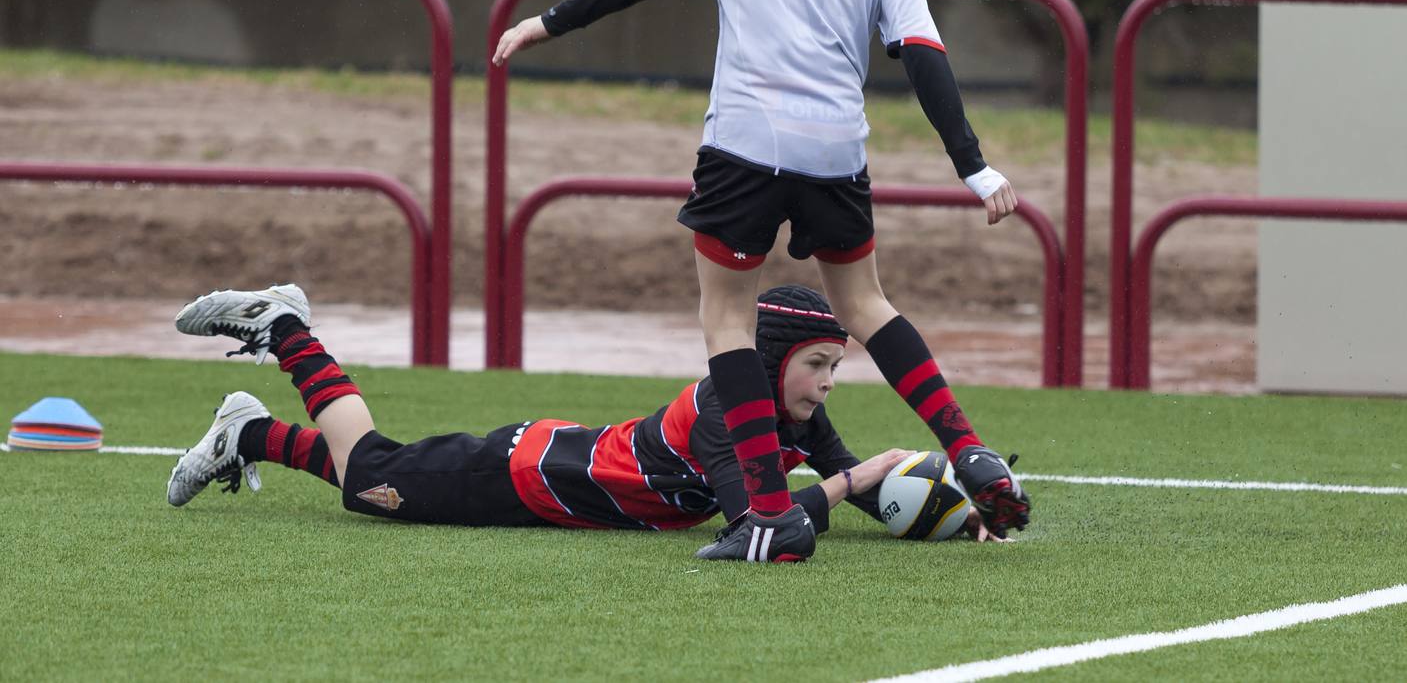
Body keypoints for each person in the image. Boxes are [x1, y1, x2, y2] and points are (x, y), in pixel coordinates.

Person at [490, 0, 1029, 561]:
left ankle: (770, 518)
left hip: (743, 147)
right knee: (866, 305)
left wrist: (549, 21)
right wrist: (973, 168)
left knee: (727, 322)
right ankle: (970, 448)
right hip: (836, 153)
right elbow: (924, 56)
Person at [165, 283, 1012, 550]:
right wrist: (864, 475)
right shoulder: (729, 409)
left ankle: (246, 433)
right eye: (820, 365)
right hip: (520, 476)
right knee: (371, 476)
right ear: (772, 360)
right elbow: (759, 524)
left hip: (548, 466)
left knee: (378, 471)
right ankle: (285, 327)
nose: (829, 383)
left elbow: (846, 482)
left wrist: (948, 512)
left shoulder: (781, 409)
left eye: (835, 366)